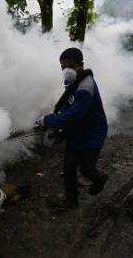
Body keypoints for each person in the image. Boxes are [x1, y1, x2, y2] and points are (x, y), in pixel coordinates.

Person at [43, 47, 109, 210]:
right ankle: (71, 200)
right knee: (69, 169)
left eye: (70, 67)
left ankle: (100, 178)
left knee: (86, 169)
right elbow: (68, 106)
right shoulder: (71, 81)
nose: (66, 71)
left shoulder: (86, 86)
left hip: (92, 134)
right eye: (63, 67)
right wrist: (58, 126)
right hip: (75, 133)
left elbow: (75, 115)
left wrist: (49, 120)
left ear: (81, 65)